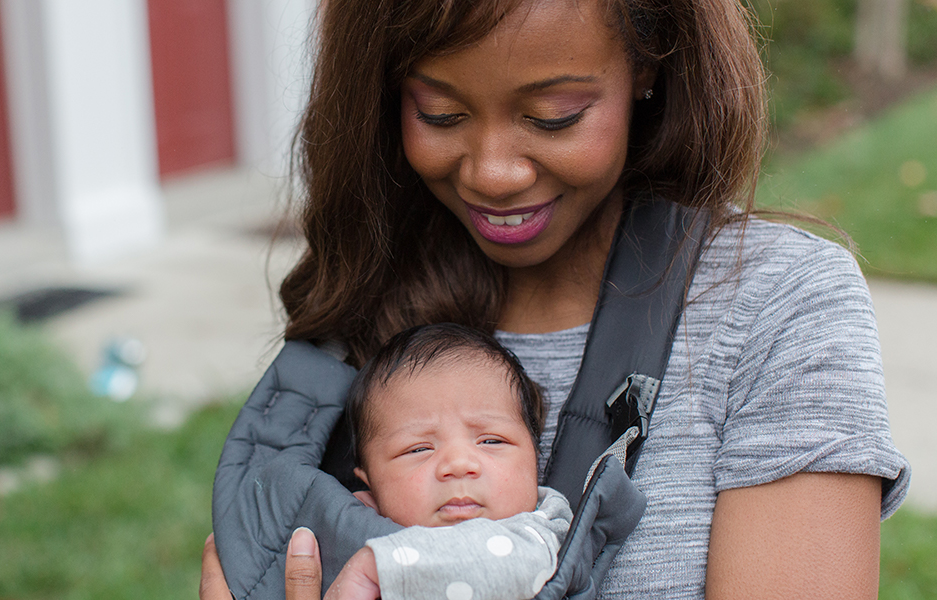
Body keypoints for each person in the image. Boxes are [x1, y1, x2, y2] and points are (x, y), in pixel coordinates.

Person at [204, 0, 911, 597]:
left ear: (648, 62)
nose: (493, 172)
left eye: (553, 116)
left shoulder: (773, 305)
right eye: (441, 114)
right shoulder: (357, 325)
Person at [339, 323, 573, 600]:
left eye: (491, 441)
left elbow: (517, 566)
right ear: (370, 485)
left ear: (535, 458)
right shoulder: (350, 529)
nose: (459, 464)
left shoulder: (542, 528)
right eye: (418, 449)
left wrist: (380, 567)